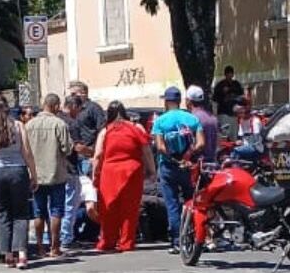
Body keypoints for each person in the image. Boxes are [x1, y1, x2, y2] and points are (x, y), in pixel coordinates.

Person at [0, 98, 38, 269]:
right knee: (20, 213)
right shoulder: (18, 126)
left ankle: (8, 255)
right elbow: (27, 152)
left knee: (2, 214)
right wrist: (34, 175)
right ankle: (22, 255)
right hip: (18, 171)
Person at [93, 101, 155, 253]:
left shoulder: (105, 131)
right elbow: (146, 150)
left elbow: (98, 155)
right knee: (130, 208)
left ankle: (108, 241)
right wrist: (152, 170)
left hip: (110, 172)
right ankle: (126, 242)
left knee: (108, 207)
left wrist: (95, 174)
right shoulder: (136, 128)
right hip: (132, 171)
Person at [151, 86, 205, 254]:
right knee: (192, 202)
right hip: (189, 166)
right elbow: (201, 143)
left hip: (168, 167)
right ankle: (195, 237)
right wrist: (188, 155)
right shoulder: (192, 119)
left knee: (172, 205)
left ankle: (176, 242)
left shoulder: (160, 121)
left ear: (167, 101)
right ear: (180, 100)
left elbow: (160, 146)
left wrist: (174, 158)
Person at [25, 94, 73, 258]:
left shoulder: (29, 125)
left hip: (36, 175)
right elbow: (67, 148)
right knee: (56, 211)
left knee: (39, 212)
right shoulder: (59, 124)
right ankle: (54, 247)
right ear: (56, 106)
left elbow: (25, 149)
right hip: (56, 174)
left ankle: (40, 248)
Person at [58, 95, 88, 249]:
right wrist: (93, 151)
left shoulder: (55, 120)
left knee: (55, 205)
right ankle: (66, 237)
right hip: (69, 168)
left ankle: (53, 237)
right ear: (74, 106)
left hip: (53, 170)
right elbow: (77, 147)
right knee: (70, 203)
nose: (80, 113)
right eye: (80, 109)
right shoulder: (71, 123)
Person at [70, 80, 105, 176]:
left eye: (73, 94)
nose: (71, 97)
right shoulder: (73, 108)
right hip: (75, 156)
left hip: (88, 155)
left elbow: (102, 130)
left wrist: (94, 151)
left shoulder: (94, 108)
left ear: (83, 93)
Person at [186, 86, 219, 163]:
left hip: (197, 164)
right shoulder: (213, 118)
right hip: (212, 163)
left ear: (188, 101)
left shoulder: (192, 119)